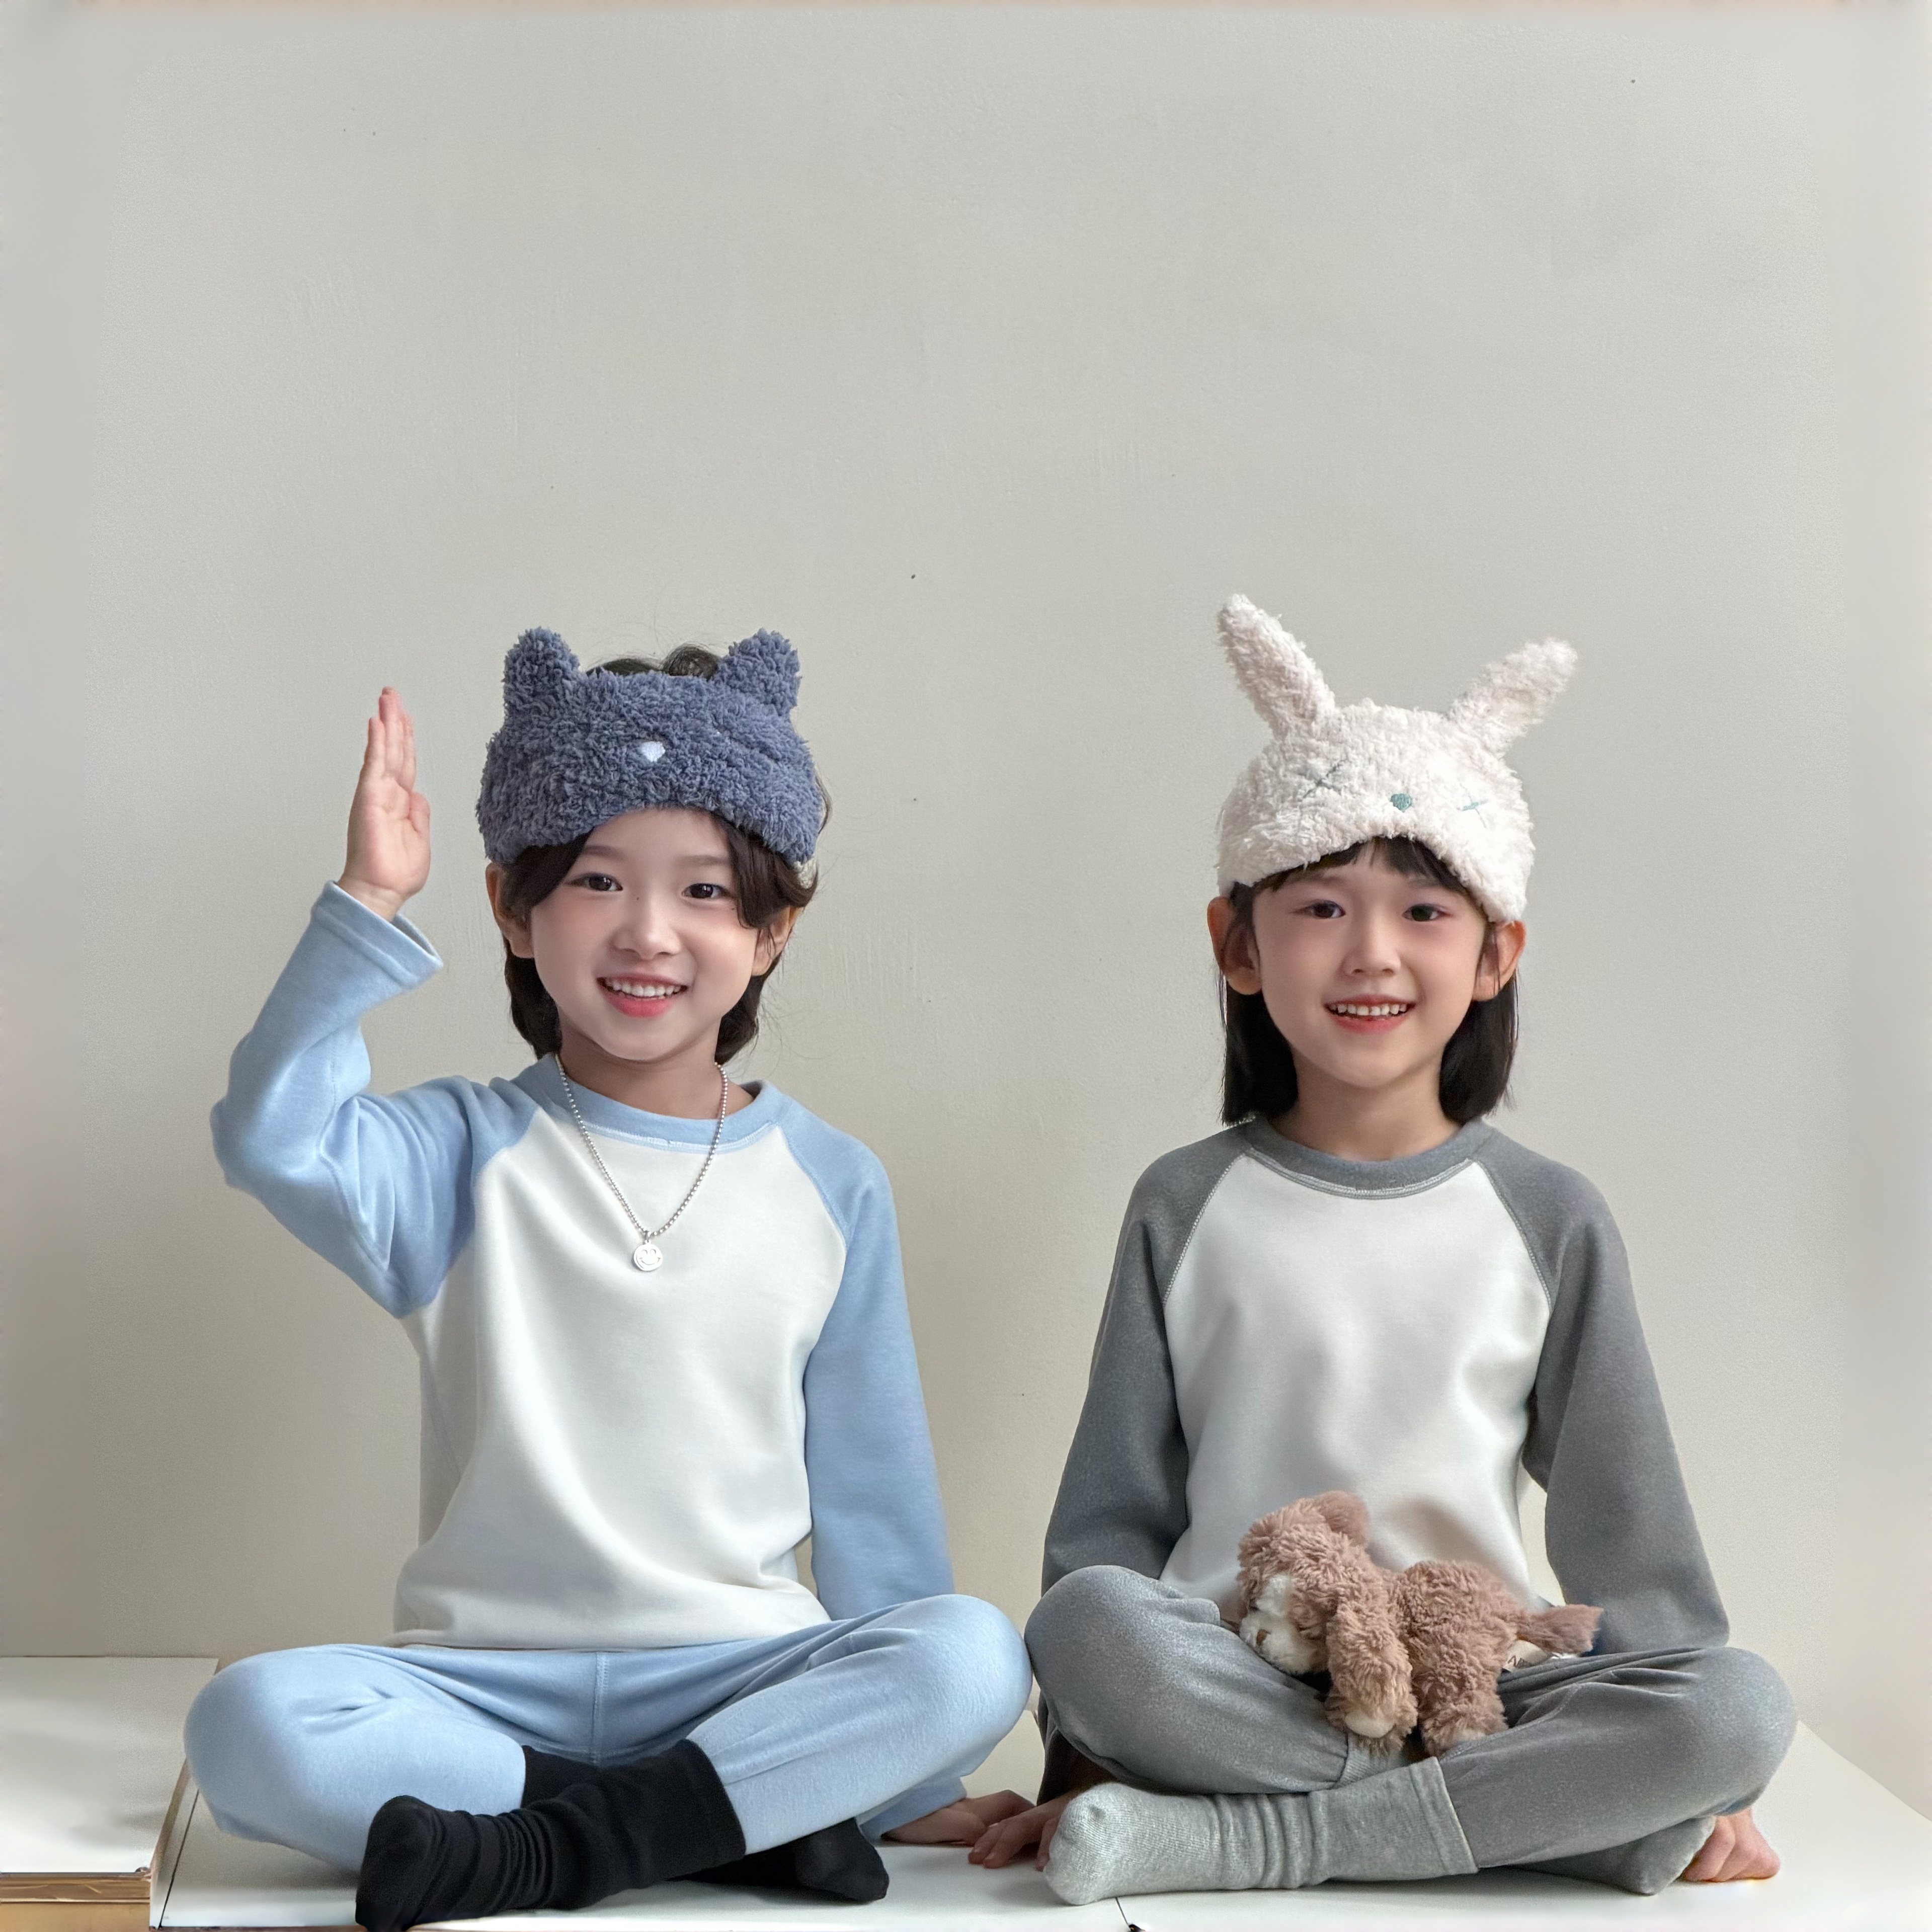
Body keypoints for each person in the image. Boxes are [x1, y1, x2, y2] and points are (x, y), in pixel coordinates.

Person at [186, 628, 1032, 1931]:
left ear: (772, 930)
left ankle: (545, 1847)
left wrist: (913, 1772)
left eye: (705, 891)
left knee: (973, 1654)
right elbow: (271, 1137)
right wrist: (368, 903)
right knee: (249, 1724)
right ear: (513, 907)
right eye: (596, 880)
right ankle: (729, 1824)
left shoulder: (831, 1181)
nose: (648, 932)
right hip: (485, 1683)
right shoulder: (454, 1153)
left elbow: (876, 1499)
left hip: (742, 1679)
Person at [971, 596, 1794, 1904]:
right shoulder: (1184, 1201)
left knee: (1739, 1706)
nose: (1371, 954)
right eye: (1320, 907)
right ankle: (1555, 1828)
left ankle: (1241, 1843)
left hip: (1483, 1688)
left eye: (1424, 910)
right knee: (1087, 1627)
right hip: (1245, 1675)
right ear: (1239, 945)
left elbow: (1632, 1534)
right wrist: (1079, 1751)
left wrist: (1707, 1766)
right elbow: (1114, 1514)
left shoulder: (1550, 1213)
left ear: (1495, 953)